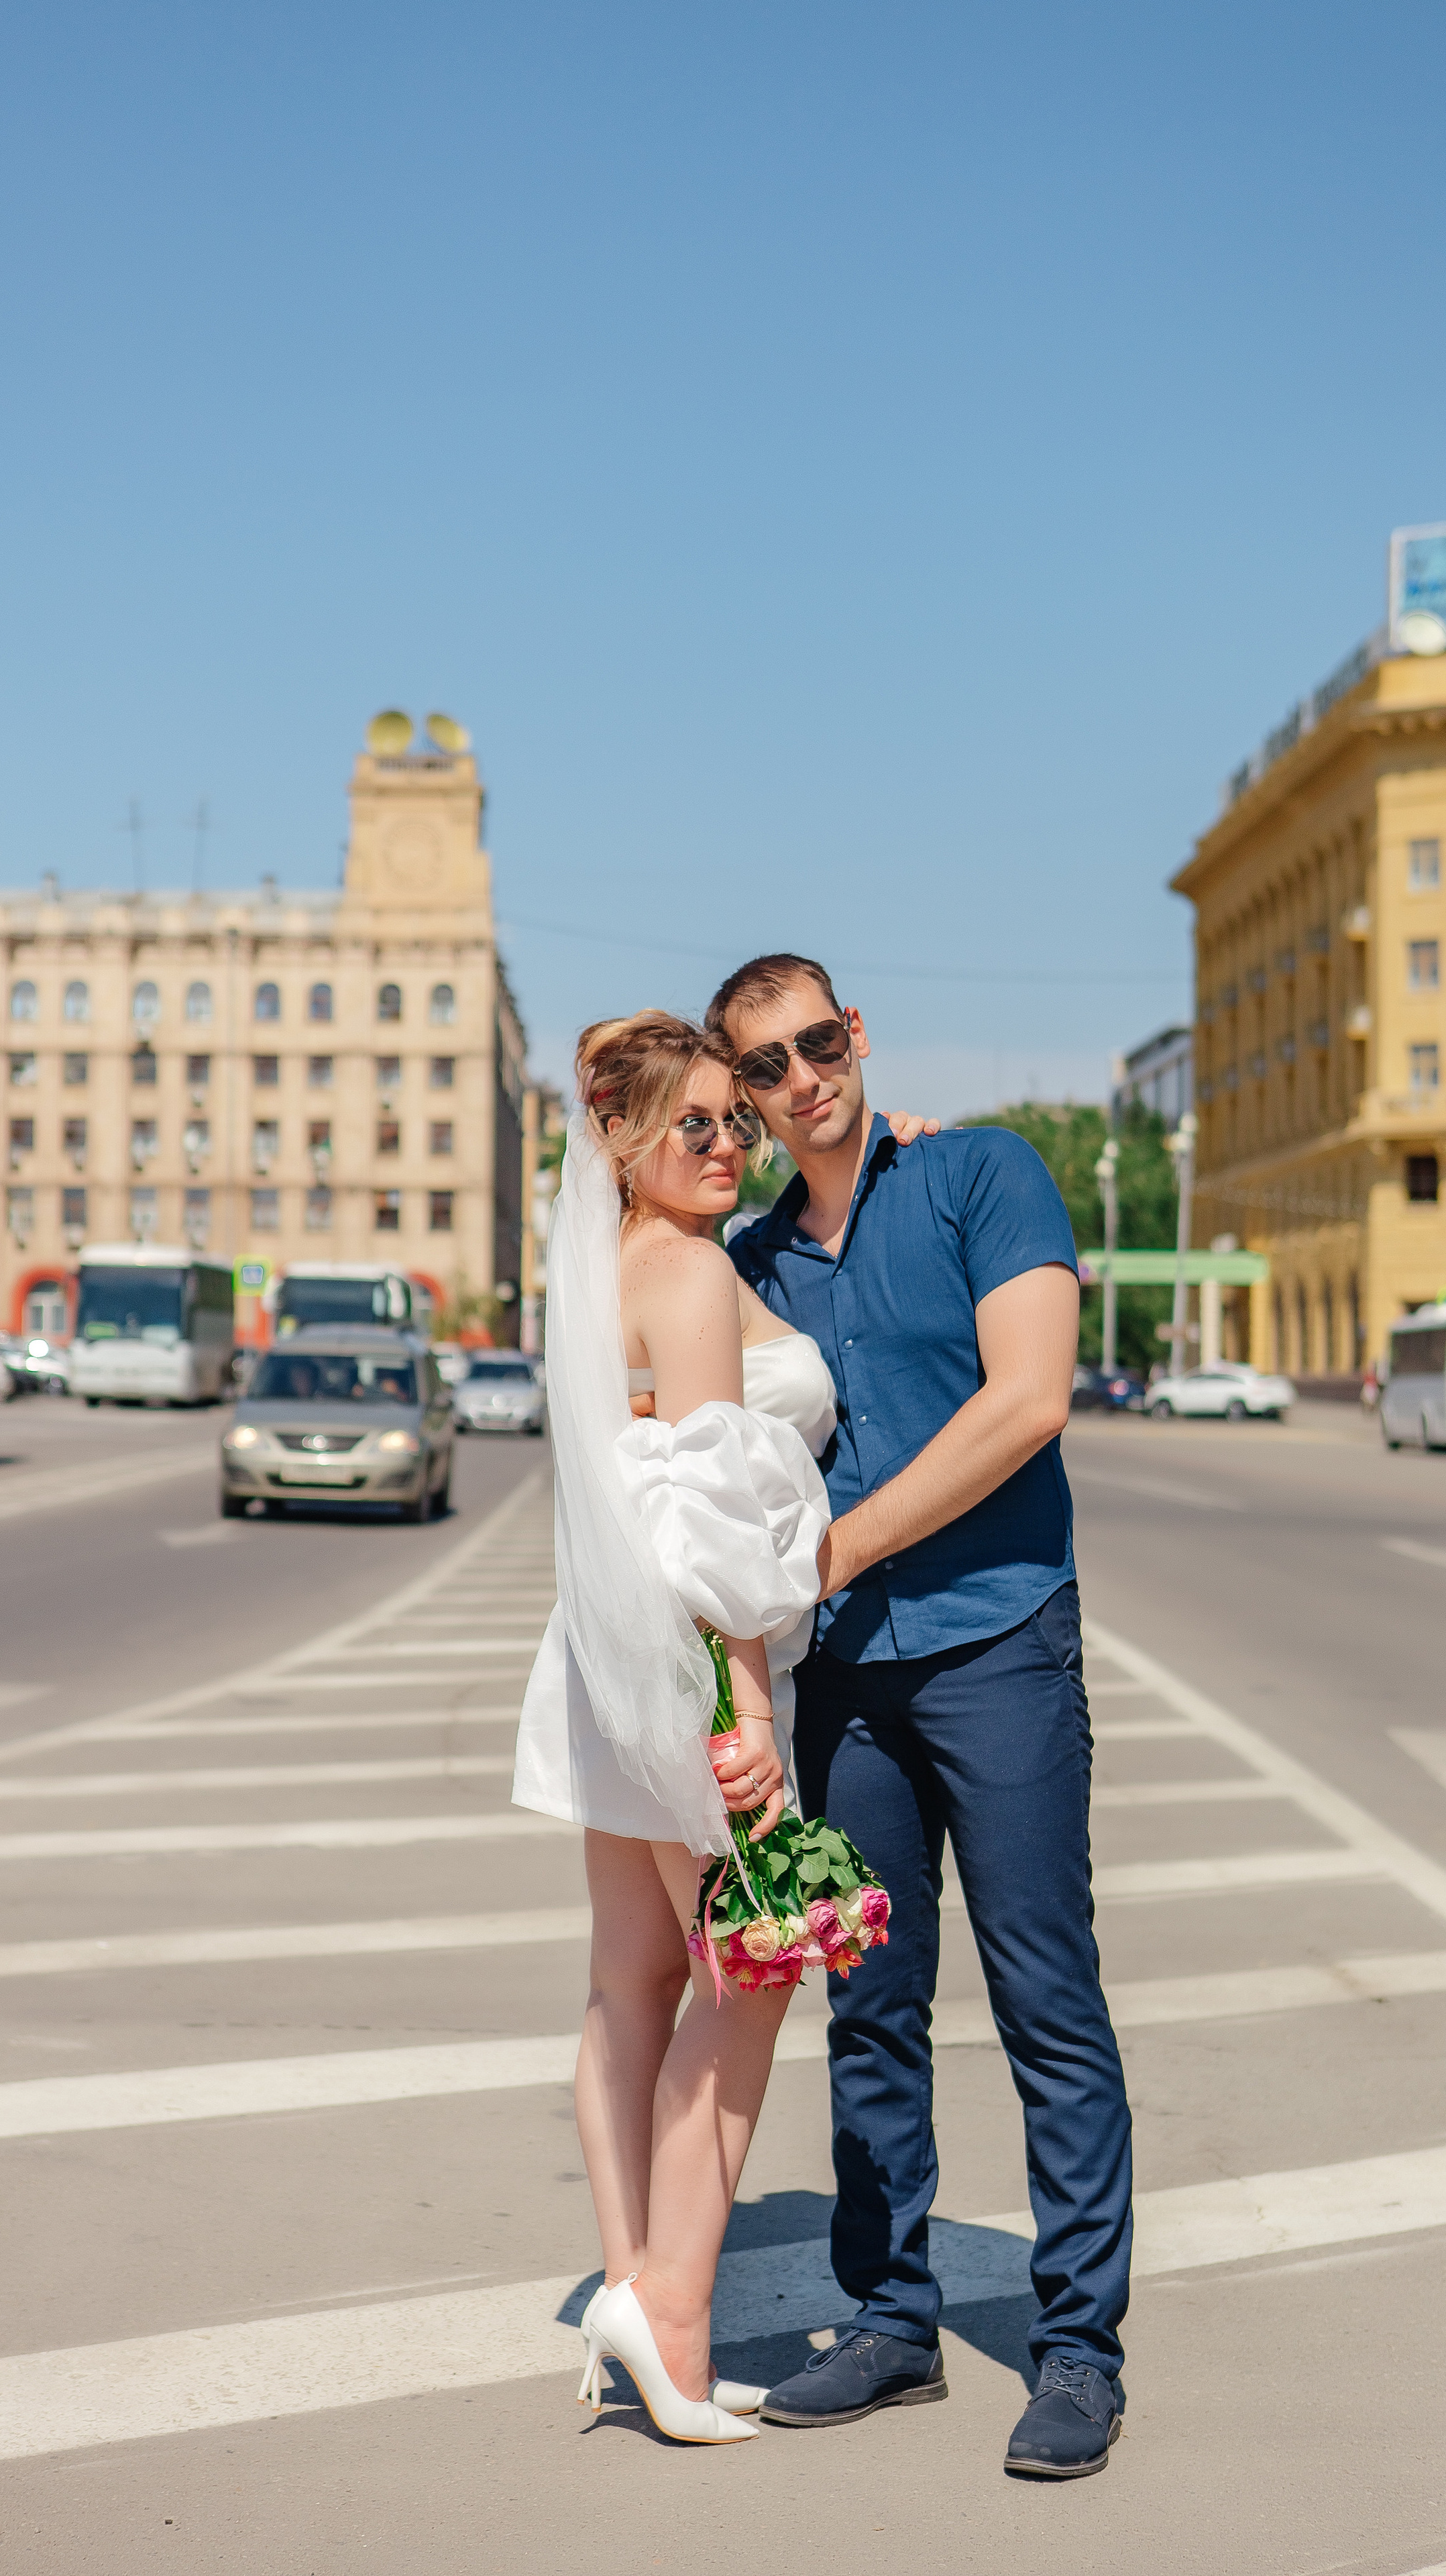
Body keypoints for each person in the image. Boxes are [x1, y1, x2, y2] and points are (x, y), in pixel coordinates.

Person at [708, 953, 1133, 2481]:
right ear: (744, 1096)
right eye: (764, 1064)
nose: (800, 1074)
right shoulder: (749, 1263)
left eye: (817, 1041)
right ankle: (888, 2317)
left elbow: (1028, 1401)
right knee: (870, 2006)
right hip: (848, 1684)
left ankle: (1076, 2352)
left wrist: (844, 1543)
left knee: (1044, 2000)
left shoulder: (979, 1176)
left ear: (856, 1036)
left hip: (1001, 1642)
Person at [512, 1012, 930, 2447]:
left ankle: (630, 2290)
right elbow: (703, 1520)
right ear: (623, 1140)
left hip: (601, 1659)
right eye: (691, 1122)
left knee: (630, 1982)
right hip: (689, 1664)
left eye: (731, 1122)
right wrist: (746, 1705)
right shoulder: (685, 1270)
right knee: (753, 1968)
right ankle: (668, 2307)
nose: (723, 1143)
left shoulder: (596, 1268)